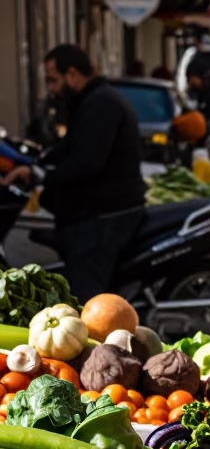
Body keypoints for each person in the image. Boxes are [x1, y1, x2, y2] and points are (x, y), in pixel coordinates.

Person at [0, 44, 145, 300]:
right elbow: (69, 146)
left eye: (53, 81)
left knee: (84, 299)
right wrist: (38, 164)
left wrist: (43, 176)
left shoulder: (100, 103)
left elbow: (86, 162)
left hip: (101, 220)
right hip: (92, 216)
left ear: (73, 74)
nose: (52, 89)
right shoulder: (92, 100)